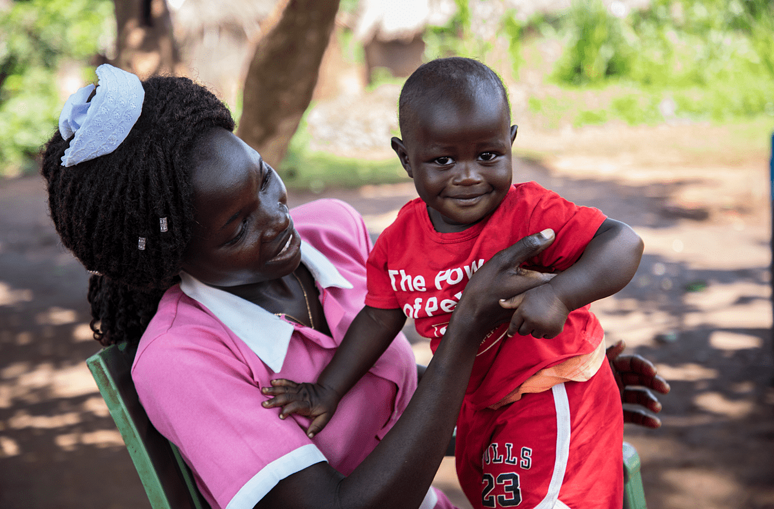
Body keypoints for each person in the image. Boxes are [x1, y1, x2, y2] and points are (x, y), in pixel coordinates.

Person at [41, 64, 667, 509]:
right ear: (172, 258)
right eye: (237, 226)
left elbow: (399, 417)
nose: (278, 218)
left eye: (264, 180)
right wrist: (467, 329)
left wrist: (549, 389)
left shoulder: (336, 233)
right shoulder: (183, 360)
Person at [266, 57, 645, 509]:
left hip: (550, 390)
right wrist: (326, 390)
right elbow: (376, 318)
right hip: (478, 406)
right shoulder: (398, 241)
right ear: (406, 158)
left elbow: (623, 242)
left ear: (510, 142)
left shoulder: (529, 214)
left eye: (487, 155)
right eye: (443, 160)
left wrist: (559, 294)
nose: (468, 175)